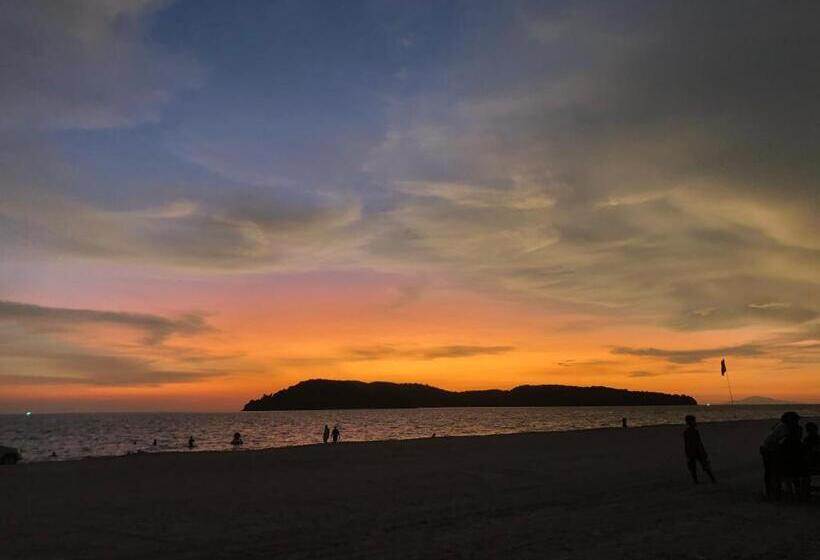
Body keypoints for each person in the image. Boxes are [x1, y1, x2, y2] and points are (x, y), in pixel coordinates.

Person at [760, 411, 801, 500]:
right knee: (771, 471)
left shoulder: (782, 426)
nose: (796, 422)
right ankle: (770, 492)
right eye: (795, 420)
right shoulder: (784, 428)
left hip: (770, 449)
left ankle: (772, 492)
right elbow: (782, 442)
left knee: (772, 471)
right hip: (769, 450)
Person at [683, 415, 716, 483]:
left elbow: (692, 443)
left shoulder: (689, 432)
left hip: (695, 451)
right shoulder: (691, 432)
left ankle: (710, 479)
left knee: (700, 466)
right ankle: (711, 479)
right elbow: (694, 443)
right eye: (694, 421)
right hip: (695, 451)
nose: (695, 422)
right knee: (699, 466)